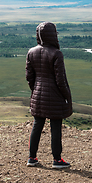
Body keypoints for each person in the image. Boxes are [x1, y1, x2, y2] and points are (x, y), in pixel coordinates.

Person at [25, 22, 72, 168]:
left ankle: (32, 158)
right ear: (52, 35)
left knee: (37, 125)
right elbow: (60, 80)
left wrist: (35, 91)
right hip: (55, 96)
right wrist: (67, 97)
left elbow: (29, 77)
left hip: (38, 95)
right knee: (56, 127)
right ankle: (57, 160)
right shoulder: (56, 53)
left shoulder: (31, 52)